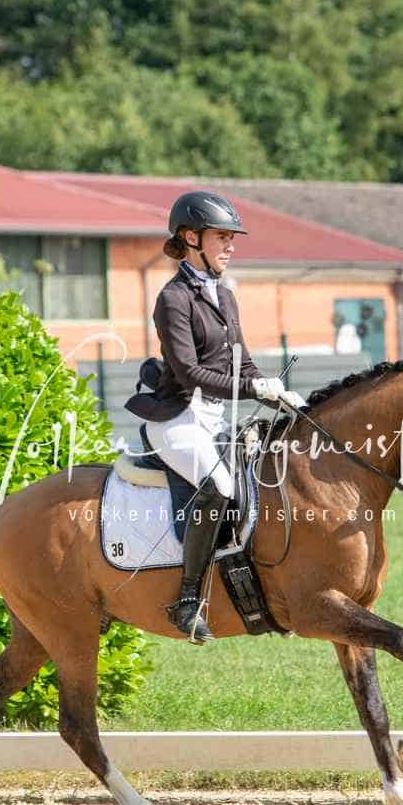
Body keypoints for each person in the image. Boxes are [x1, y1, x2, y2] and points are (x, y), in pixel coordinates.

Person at [125, 191, 304, 643]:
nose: (230, 245)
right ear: (191, 238)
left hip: (214, 418)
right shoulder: (173, 299)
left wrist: (277, 394)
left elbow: (243, 365)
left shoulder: (224, 294)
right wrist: (252, 389)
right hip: (177, 419)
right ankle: (187, 600)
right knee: (220, 487)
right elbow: (189, 373)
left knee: (259, 479)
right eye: (222, 237)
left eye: (231, 237)